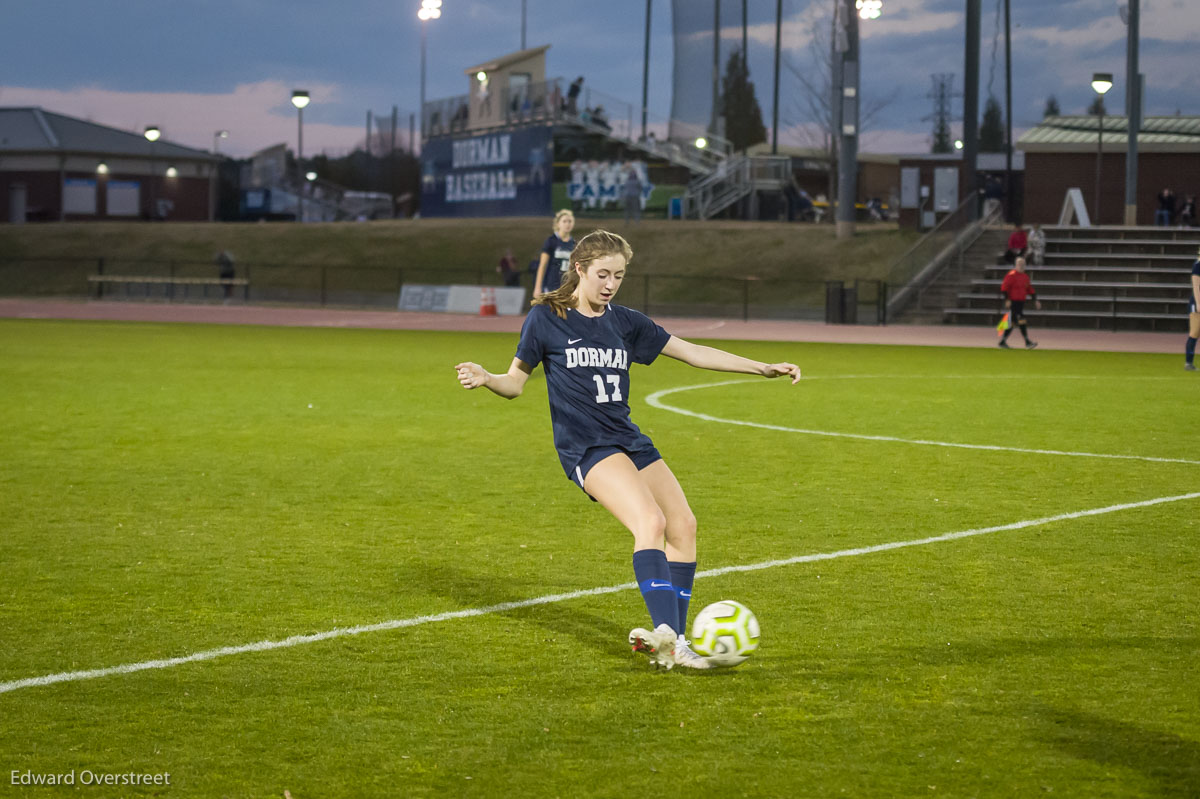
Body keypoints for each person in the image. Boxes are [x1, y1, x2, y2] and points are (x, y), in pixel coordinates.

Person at [453, 230, 801, 670]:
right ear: (579, 268)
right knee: (649, 521)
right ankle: (670, 641)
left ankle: (672, 643)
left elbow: (691, 352)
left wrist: (762, 368)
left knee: (684, 526)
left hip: (628, 438)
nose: (610, 284)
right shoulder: (546, 318)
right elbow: (515, 384)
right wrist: (487, 378)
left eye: (618, 275)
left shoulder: (626, 322)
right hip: (586, 446)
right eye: (602, 274)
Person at [998, 256, 1041, 349]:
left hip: (1020, 302)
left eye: (1023, 264)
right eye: (1020, 264)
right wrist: (1007, 299)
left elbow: (1030, 289)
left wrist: (1035, 300)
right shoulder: (1011, 275)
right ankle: (1027, 341)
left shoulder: (1025, 277)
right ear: (1016, 265)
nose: (1021, 266)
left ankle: (1003, 341)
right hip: (1013, 302)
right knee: (1021, 320)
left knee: (1012, 322)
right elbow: (1004, 288)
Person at [533, 209, 576, 297]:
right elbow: (543, 265)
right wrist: (538, 287)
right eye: (564, 221)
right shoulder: (551, 241)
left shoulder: (574, 244)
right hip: (551, 285)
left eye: (570, 221)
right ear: (558, 224)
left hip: (567, 286)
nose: (567, 224)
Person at [1186, 246, 1200, 371]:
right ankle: (1188, 363)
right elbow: (1196, 286)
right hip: (1196, 303)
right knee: (1195, 332)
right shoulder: (1198, 265)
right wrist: (1199, 303)